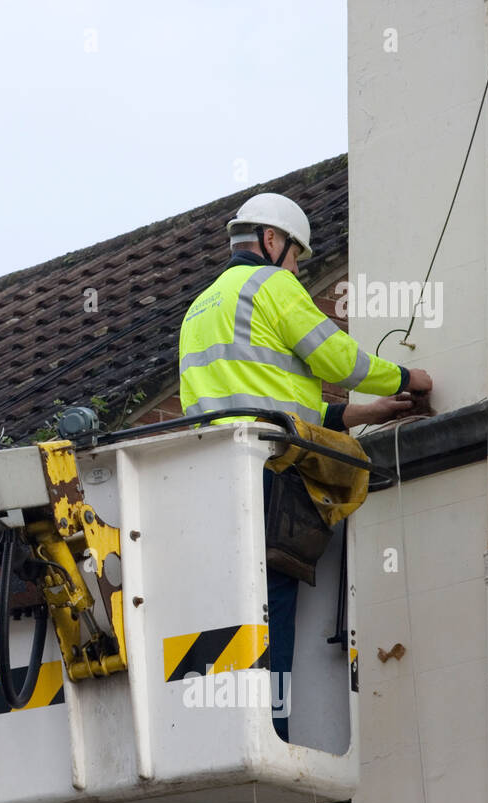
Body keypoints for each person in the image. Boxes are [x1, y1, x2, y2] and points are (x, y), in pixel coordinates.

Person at [178, 192, 432, 742]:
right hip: (272, 468)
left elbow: (261, 396)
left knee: (236, 603)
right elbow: (338, 358)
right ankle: (274, 732)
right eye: (298, 257)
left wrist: (351, 414)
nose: (297, 269)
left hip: (214, 476)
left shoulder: (200, 309)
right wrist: (406, 379)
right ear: (273, 241)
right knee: (278, 599)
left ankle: (225, 730)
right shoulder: (273, 285)